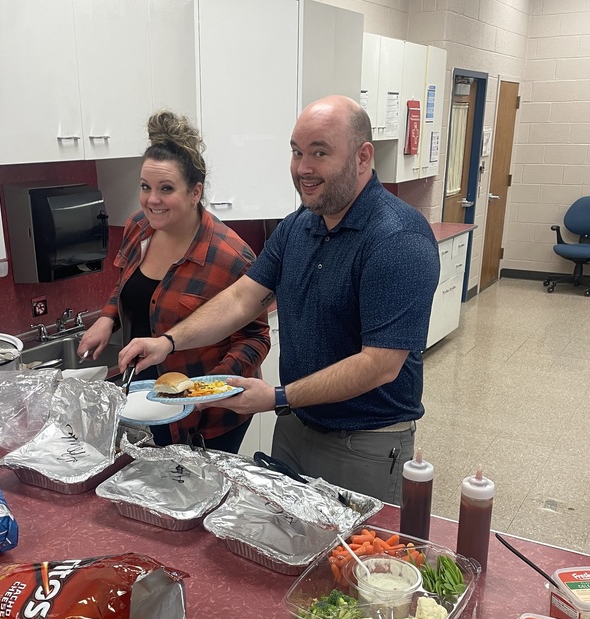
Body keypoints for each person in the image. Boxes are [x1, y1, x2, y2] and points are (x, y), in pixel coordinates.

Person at [118, 95, 440, 501]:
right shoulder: (298, 228)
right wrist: (167, 342)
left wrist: (277, 397)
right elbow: (241, 300)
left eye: (319, 153)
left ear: (362, 157)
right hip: (294, 428)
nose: (303, 168)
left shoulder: (397, 239)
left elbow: (380, 365)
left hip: (364, 446)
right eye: (296, 152)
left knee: (355, 561)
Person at [77, 109, 270, 453]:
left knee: (199, 494)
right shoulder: (138, 228)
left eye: (166, 189)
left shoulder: (230, 256)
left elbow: (255, 338)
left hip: (210, 415)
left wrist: (208, 391)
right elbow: (126, 283)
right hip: (146, 398)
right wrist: (108, 318)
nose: (152, 200)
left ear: (195, 193)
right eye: (145, 187)